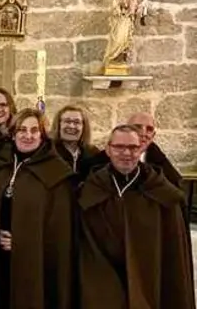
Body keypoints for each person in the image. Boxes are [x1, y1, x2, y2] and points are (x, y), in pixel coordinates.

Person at [78, 125, 195, 309]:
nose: (126, 153)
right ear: (108, 150)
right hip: (102, 275)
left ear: (141, 149)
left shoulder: (161, 192)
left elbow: (173, 254)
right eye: (119, 147)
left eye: (133, 147)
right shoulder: (91, 189)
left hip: (149, 274)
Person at [0, 109, 74, 309]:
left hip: (34, 262)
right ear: (13, 133)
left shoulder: (56, 173)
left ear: (42, 135)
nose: (28, 136)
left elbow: (59, 231)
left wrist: (22, 241)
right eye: (22, 130)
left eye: (34, 130)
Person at [50, 105, 101, 181]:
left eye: (77, 122)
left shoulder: (93, 153)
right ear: (58, 125)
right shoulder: (49, 151)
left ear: (84, 127)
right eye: (67, 121)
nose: (72, 126)